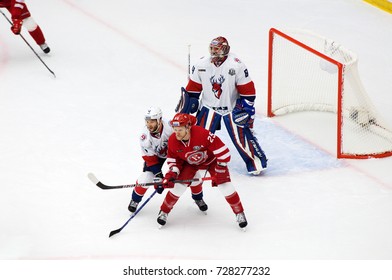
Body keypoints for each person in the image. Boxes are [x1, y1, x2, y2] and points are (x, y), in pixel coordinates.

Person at [176, 36, 267, 175]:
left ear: (224, 49)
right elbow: (193, 90)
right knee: (198, 137)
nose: (213, 53)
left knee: (241, 139)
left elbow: (248, 91)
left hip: (231, 107)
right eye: (212, 49)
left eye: (216, 50)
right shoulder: (201, 64)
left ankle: (256, 163)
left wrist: (246, 109)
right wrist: (189, 105)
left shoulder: (236, 65)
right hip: (208, 107)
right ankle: (195, 162)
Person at [156, 113, 248, 230]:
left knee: (225, 186)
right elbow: (174, 160)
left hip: (212, 162)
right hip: (190, 164)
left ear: (188, 127)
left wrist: (220, 168)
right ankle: (164, 211)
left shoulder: (202, 134)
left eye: (179, 130)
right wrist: (172, 173)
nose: (176, 133)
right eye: (175, 130)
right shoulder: (173, 140)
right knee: (178, 187)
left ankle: (239, 213)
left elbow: (223, 151)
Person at [128, 107, 207, 213]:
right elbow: (150, 158)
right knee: (146, 178)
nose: (149, 125)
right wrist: (159, 176)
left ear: (159, 120)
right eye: (147, 121)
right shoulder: (144, 136)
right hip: (157, 157)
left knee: (195, 176)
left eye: (152, 121)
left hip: (176, 154)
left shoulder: (171, 126)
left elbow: (189, 125)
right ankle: (135, 200)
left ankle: (198, 198)